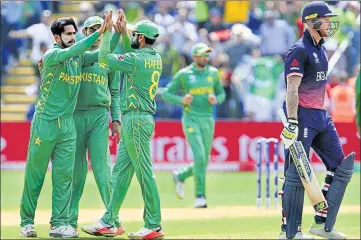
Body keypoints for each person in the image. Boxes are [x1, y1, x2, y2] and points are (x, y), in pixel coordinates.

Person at [19, 15, 107, 238]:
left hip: (67, 125)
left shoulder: (79, 57)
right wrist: (98, 33)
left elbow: (103, 54)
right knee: (35, 175)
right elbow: (73, 51)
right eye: (68, 34)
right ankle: (27, 222)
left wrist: (115, 34)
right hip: (45, 123)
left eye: (74, 33)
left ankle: (58, 224)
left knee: (64, 178)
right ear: (57, 37)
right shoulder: (52, 55)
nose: (72, 37)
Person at [81, 11, 165, 239]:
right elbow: (132, 51)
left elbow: (105, 57)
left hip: (136, 119)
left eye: (134, 35)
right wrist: (126, 33)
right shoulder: (153, 57)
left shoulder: (135, 60)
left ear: (140, 38)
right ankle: (109, 220)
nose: (133, 37)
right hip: (137, 119)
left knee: (144, 173)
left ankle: (154, 224)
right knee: (119, 174)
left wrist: (108, 33)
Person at [279, 2, 355, 239]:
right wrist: (291, 121)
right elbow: (292, 88)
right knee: (297, 173)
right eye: (326, 19)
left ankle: (323, 223)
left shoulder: (321, 49)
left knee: (339, 167)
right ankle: (289, 231)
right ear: (311, 22)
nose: (330, 24)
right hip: (301, 115)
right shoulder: (299, 49)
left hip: (320, 115)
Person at [68, 16, 123, 235]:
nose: (96, 35)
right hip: (75, 116)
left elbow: (116, 92)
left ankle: (113, 220)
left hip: (100, 116)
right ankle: (69, 220)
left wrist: (116, 119)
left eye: (100, 30)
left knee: (102, 170)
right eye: (92, 30)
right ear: (83, 32)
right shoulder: (77, 55)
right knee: (76, 172)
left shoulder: (110, 59)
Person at [161, 42, 226, 208]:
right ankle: (200, 197)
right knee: (199, 157)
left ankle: (181, 175)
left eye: (207, 55)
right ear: (195, 56)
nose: (206, 58)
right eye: (203, 55)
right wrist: (181, 100)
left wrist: (216, 99)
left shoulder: (213, 73)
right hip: (191, 118)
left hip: (207, 119)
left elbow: (221, 93)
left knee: (204, 160)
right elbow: (166, 93)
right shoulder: (184, 74)